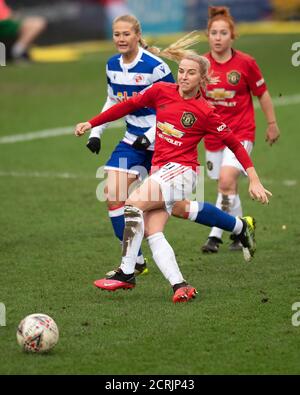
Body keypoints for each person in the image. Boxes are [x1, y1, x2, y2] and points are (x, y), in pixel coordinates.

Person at [75, 52, 271, 302]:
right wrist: (92, 123)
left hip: (182, 172)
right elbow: (126, 106)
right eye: (181, 71)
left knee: (132, 203)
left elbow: (235, 144)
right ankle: (181, 285)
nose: (184, 76)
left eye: (191, 72)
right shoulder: (161, 91)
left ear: (202, 78)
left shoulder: (205, 111)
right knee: (154, 231)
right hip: (161, 171)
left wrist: (254, 179)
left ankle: (126, 272)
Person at [85, 14, 203, 277]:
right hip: (132, 142)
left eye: (126, 34)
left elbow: (174, 107)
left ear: (138, 35)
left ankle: (238, 226)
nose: (121, 39)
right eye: (117, 34)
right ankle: (135, 261)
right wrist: (96, 132)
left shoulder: (155, 66)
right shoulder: (111, 65)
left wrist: (150, 136)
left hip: (164, 143)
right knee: (113, 195)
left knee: (180, 208)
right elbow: (113, 100)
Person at [200, 6, 280, 253]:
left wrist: (272, 124)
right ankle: (241, 230)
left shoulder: (246, 63)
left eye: (223, 32)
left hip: (240, 133)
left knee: (226, 180)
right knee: (225, 186)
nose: (218, 37)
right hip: (213, 137)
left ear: (232, 36)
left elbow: (263, 94)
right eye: (214, 32)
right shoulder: (202, 65)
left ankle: (215, 236)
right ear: (208, 35)